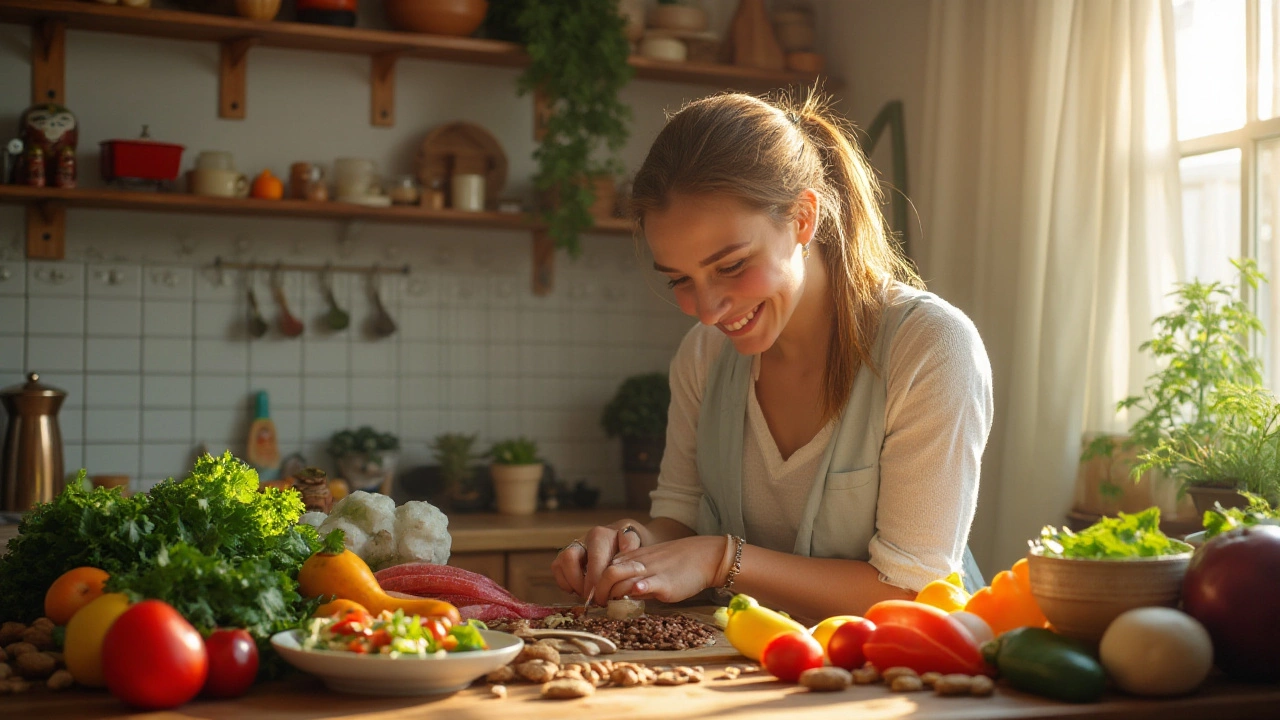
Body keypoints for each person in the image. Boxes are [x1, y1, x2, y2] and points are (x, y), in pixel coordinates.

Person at [551, 91, 993, 622]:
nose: (708, 311)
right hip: (757, 671)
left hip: (909, 681)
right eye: (679, 281)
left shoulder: (929, 347)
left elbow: (909, 596)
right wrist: (632, 546)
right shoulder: (704, 356)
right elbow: (681, 520)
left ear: (803, 219)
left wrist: (721, 559)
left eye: (732, 265)